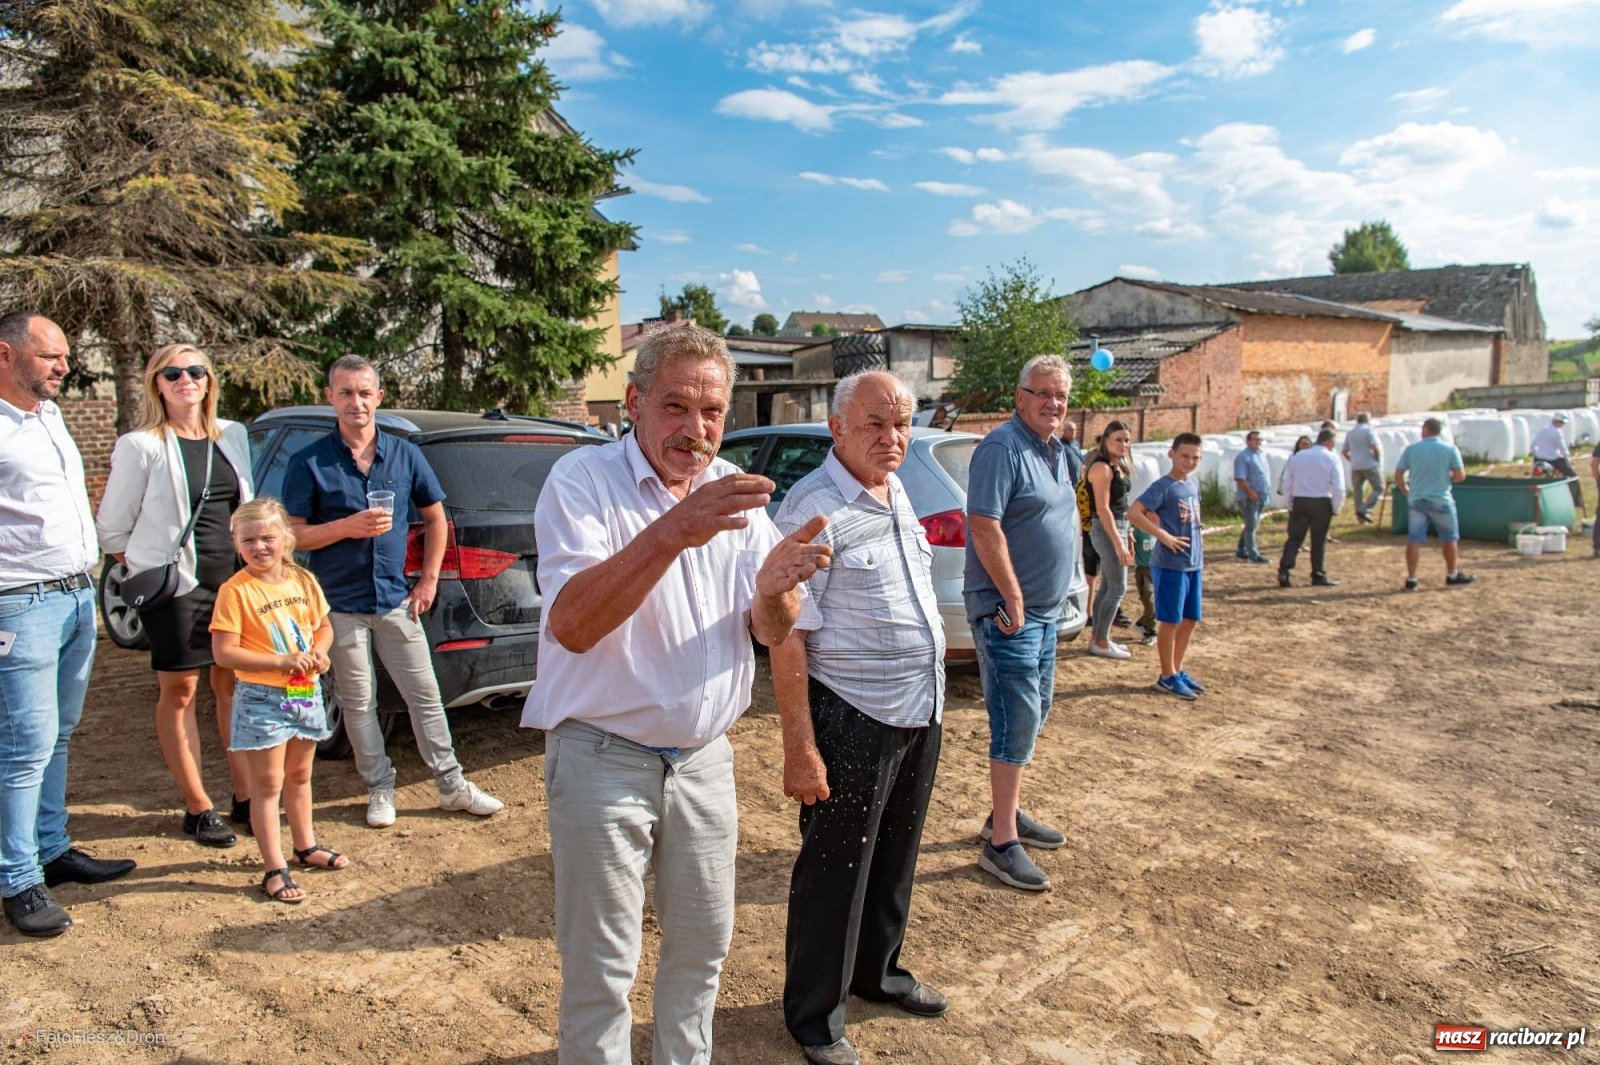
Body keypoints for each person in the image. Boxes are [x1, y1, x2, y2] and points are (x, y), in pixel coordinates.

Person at [520, 324, 830, 1065]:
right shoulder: (582, 483)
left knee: (700, 957)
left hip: (703, 762)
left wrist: (779, 591)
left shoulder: (736, 497)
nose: (696, 430)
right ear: (634, 403)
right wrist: (674, 528)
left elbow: (769, 627)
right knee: (601, 970)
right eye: (675, 407)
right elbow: (572, 623)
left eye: (712, 411)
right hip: (602, 757)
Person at [771, 371, 947, 1065]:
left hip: (917, 706)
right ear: (837, 427)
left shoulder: (898, 490)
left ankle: (880, 972)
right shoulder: (814, 508)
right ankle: (815, 1015)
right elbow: (789, 634)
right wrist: (800, 746)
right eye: (875, 423)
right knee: (836, 870)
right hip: (850, 713)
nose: (892, 437)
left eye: (901, 423)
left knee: (894, 857)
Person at [284, 356, 502, 828]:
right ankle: (379, 788)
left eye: (364, 392)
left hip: (396, 601)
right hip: (338, 606)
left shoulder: (404, 454)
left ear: (378, 398)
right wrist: (346, 527)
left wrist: (426, 581)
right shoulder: (310, 462)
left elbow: (437, 518)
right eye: (345, 392)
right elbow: (294, 536)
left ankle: (452, 785)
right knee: (359, 702)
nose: (355, 402)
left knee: (425, 696)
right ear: (330, 397)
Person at [0, 310, 136, 937]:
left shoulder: (50, 415)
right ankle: (16, 878)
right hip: (19, 604)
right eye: (50, 356)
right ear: (7, 354)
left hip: (76, 598)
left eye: (64, 355)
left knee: (59, 733)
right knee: (23, 746)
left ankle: (51, 850)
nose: (64, 366)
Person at [95, 344, 254, 849]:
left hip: (231, 585)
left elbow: (242, 507)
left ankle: (246, 796)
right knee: (181, 693)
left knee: (230, 685)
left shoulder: (234, 434)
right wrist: (145, 566)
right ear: (157, 384)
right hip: (177, 588)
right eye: (173, 372)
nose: (186, 379)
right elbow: (111, 530)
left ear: (209, 380)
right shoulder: (140, 445)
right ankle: (198, 807)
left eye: (196, 371)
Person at [964, 355, 1077, 893]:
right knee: (1016, 717)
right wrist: (1012, 593)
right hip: (1010, 612)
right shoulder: (1001, 447)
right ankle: (1001, 845)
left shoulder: (1059, 451)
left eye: (1060, 396)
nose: (1052, 403)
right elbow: (983, 524)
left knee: (1035, 712)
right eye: (1042, 393)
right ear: (1020, 395)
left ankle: (1003, 815)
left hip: (1045, 614)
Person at [211, 498, 347, 903]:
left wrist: (320, 651)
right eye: (248, 539)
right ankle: (274, 868)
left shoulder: (303, 580)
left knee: (301, 776)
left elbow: (322, 626)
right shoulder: (235, 592)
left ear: (286, 538)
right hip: (261, 698)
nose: (259, 547)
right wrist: (280, 661)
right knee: (267, 785)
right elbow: (224, 653)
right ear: (236, 543)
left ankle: (305, 846)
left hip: (305, 690)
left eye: (268, 537)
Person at [1129, 434, 1206, 701]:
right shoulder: (1163, 486)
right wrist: (1163, 536)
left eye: (1195, 457)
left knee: (1190, 618)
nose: (1190, 461)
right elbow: (1135, 512)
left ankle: (1178, 668)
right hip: (1170, 564)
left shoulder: (1193, 484)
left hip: (1193, 563)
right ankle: (1166, 676)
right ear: (1171, 454)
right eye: (1185, 456)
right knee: (1170, 621)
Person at [1395, 418, 1476, 591]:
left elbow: (1398, 474)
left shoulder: (1411, 450)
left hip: (1417, 499)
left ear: (1425, 430)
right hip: (1440, 498)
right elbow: (1461, 475)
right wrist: (1447, 479)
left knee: (1415, 539)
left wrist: (1406, 491)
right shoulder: (1449, 449)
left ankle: (1412, 578)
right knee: (1450, 538)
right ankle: (1451, 574)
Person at [1085, 420, 1135, 660]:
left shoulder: (1118, 466)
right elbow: (1104, 509)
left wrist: (1129, 534)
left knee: (1108, 586)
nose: (1123, 444)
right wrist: (1118, 542)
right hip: (1107, 529)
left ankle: (1099, 637)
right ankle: (1101, 641)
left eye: (1126, 440)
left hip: (1121, 527)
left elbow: (1122, 504)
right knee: (1117, 588)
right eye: (1118, 439)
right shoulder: (1102, 468)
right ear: (1105, 440)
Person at [1277, 429, 1346, 589]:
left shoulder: (1298, 457)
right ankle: (1318, 574)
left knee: (1294, 538)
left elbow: (1288, 482)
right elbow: (1338, 487)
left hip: (1300, 500)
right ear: (1330, 442)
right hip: (1322, 501)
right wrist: (1336, 507)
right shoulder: (1332, 458)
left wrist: (1290, 503)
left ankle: (1284, 570)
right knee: (1318, 540)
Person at [1232, 430, 1270, 564]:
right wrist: (1250, 492)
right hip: (1249, 497)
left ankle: (1242, 549)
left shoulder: (1261, 455)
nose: (1258, 442)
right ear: (1248, 441)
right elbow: (1240, 478)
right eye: (1255, 439)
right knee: (1251, 525)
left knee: (1252, 524)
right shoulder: (1243, 457)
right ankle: (1253, 554)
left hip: (1261, 495)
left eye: (1260, 440)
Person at [1532, 413, 1583, 512]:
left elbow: (1533, 445)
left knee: (1535, 480)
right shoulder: (1557, 432)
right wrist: (1568, 458)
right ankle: (1576, 501)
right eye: (1562, 423)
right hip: (1554, 459)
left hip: (1539, 459)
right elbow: (1563, 448)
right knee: (1574, 477)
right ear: (1558, 422)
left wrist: (1537, 455)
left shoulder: (1543, 430)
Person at [1342, 412, 1384, 524]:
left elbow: (1344, 451)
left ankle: (1360, 519)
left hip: (1355, 465)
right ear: (1368, 420)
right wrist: (1377, 460)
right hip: (1369, 463)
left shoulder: (1350, 432)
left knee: (1358, 491)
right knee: (1379, 488)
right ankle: (1365, 509)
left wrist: (1353, 460)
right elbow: (1375, 447)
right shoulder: (1369, 430)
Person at [1131, 525, 1157, 645]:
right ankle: (1151, 631)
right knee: (1149, 601)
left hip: (1159, 570)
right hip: (1143, 571)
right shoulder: (1138, 531)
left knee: (1160, 603)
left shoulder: (1161, 528)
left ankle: (1143, 622)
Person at [1060, 419, 1084, 486]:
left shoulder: (1076, 444)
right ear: (1064, 431)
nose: (1074, 432)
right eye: (1071, 430)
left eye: (1075, 430)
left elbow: (1081, 460)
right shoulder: (1059, 445)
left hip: (1078, 481)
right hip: (1066, 482)